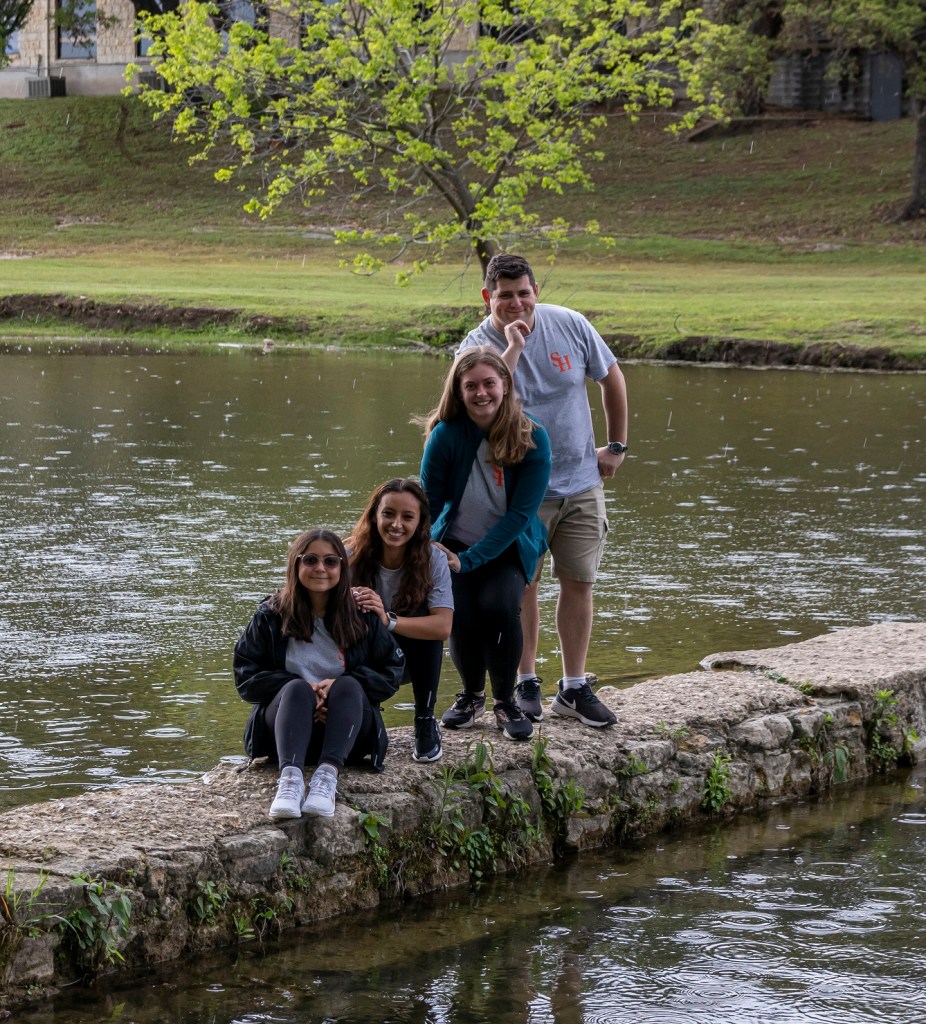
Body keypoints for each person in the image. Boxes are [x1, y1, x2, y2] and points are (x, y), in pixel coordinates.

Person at [458, 252, 628, 728]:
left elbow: (611, 375)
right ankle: (526, 680)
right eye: (505, 296)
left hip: (581, 482)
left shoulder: (570, 324)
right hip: (515, 491)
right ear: (487, 297)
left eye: (524, 294)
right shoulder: (475, 346)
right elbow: (484, 404)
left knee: (579, 582)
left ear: (536, 292)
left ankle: (574, 687)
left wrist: (615, 445)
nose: (516, 304)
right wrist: (512, 344)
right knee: (522, 587)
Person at [418, 346, 551, 741]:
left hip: (509, 544)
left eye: (489, 383)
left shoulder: (533, 437)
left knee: (498, 606)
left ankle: (506, 703)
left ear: (505, 385)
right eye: (470, 385)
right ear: (458, 391)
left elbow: (519, 517)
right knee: (459, 611)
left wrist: (470, 560)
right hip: (453, 541)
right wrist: (423, 548)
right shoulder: (444, 435)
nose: (481, 393)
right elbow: (430, 501)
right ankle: (471, 696)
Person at [234, 528, 405, 822]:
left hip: (347, 736)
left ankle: (326, 779)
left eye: (330, 561)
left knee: (350, 685)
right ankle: (290, 781)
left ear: (342, 566)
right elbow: (245, 677)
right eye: (310, 560)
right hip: (286, 733)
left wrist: (335, 690)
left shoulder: (361, 615)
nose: (320, 569)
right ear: (296, 565)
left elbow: (392, 672)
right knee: (297, 690)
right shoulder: (270, 615)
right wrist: (302, 688)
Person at [347, 478, 454, 764]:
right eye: (388, 514)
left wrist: (388, 620)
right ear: (374, 516)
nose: (396, 524)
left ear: (420, 523)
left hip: (409, 656)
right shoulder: (347, 556)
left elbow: (444, 627)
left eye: (407, 517)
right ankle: (368, 714)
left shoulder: (433, 559)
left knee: (426, 623)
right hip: (361, 655)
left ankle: (425, 718)